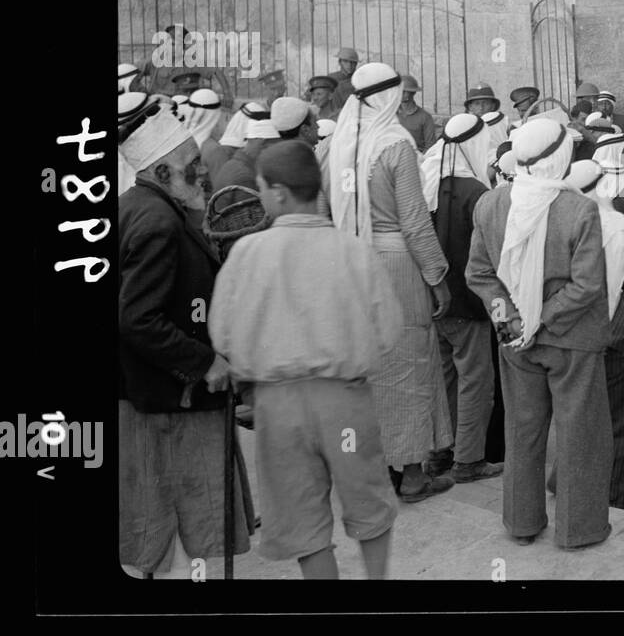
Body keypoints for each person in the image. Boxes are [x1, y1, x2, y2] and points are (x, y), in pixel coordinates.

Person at [209, 142, 401, 579]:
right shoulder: (353, 249)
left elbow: (221, 332)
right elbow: (389, 329)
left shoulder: (247, 254)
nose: (258, 197)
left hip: (279, 413)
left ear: (277, 192)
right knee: (368, 499)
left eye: (259, 188)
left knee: (302, 520)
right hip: (346, 408)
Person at [118, 100, 254, 578]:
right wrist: (204, 363)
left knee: (163, 523)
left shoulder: (146, 206)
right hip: (170, 404)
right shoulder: (156, 221)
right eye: (193, 167)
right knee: (176, 524)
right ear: (161, 171)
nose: (203, 174)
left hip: (163, 399)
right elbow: (137, 319)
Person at [465, 119, 613, 549]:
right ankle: (578, 530)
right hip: (570, 338)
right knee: (579, 433)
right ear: (559, 158)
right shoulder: (579, 209)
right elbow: (586, 285)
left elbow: (479, 273)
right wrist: (539, 319)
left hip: (514, 340)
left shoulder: (491, 204)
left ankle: (522, 523)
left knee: (523, 430)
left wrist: (509, 317)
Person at [324, 62, 455, 503]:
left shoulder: (339, 143)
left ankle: (377, 473)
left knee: (371, 368)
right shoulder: (395, 144)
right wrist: (437, 276)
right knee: (410, 364)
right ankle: (415, 476)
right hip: (397, 264)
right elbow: (416, 224)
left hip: (353, 264)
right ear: (391, 97)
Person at [421, 112, 502, 483]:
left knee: (444, 379)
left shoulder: (428, 182)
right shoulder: (477, 193)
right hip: (468, 302)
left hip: (433, 298)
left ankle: (441, 451)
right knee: (476, 382)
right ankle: (468, 460)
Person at [567, 160, 624, 510]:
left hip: (579, 341)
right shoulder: (618, 226)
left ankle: (580, 491)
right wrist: (609, 337)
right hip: (611, 342)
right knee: (615, 426)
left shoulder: (562, 221)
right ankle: (612, 502)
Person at [210, 107, 282, 212]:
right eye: (275, 146)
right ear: (263, 143)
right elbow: (251, 223)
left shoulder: (235, 164)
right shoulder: (246, 177)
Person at [395, 75, 439, 154]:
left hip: (417, 159)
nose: (399, 93)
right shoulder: (391, 114)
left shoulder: (425, 117)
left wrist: (420, 160)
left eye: (404, 91)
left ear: (412, 93)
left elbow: (430, 146)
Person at [321, 47, 359, 118]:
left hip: (352, 116)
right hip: (332, 115)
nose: (349, 65)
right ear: (340, 62)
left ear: (356, 64)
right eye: (345, 62)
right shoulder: (330, 78)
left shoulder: (359, 79)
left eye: (352, 62)